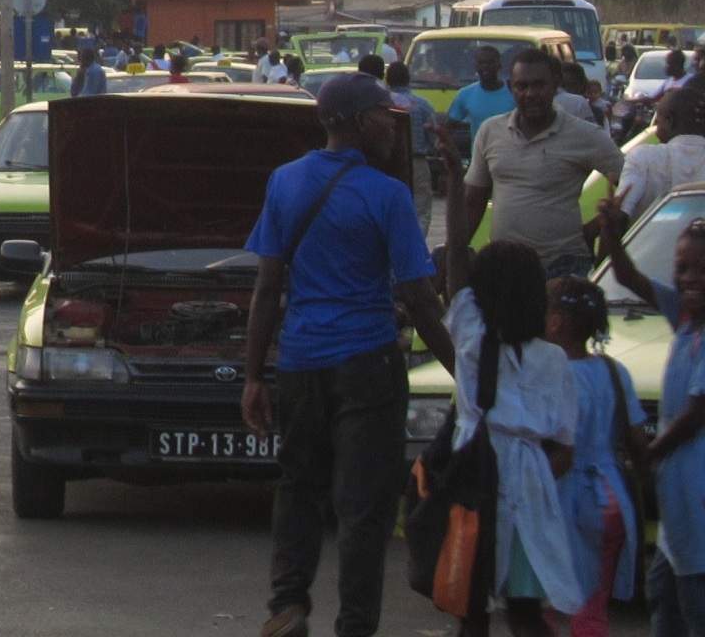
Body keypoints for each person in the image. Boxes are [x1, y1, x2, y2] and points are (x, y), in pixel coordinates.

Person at [243, 72, 456, 637]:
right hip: (367, 363)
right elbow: (421, 299)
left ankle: (287, 603)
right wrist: (465, 370)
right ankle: (355, 626)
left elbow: (267, 289)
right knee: (364, 507)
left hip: (300, 363)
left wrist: (253, 377)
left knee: (298, 485)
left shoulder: (285, 182)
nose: (392, 125)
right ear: (361, 120)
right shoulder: (387, 194)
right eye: (386, 115)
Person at [435, 238, 581, 634]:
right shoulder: (554, 361)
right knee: (526, 610)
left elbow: (456, 277)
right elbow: (565, 449)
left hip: (475, 488)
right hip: (531, 497)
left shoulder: (471, 342)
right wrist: (533, 485)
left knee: (470, 610)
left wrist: (453, 179)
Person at [598, 192, 705, 635]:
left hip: (697, 497)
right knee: (664, 597)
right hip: (680, 498)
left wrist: (648, 454)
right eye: (682, 268)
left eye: (702, 269)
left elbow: (697, 413)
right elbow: (626, 275)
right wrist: (610, 231)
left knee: (693, 606)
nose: (688, 278)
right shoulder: (684, 318)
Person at [463, 48, 625, 279]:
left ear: (555, 85)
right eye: (522, 86)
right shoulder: (490, 131)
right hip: (505, 270)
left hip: (563, 268)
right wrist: (454, 256)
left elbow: (632, 181)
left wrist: (597, 225)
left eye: (539, 85)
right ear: (511, 87)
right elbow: (473, 203)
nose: (530, 93)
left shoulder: (584, 135)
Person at [546, 276, 641, 637]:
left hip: (567, 498)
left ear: (556, 322)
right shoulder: (614, 371)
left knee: (551, 601)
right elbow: (635, 437)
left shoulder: (554, 374)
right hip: (612, 497)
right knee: (593, 606)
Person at [386, 59, 458, 236]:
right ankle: (416, 250)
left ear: (387, 79)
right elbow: (435, 139)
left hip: (386, 163)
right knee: (420, 210)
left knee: (388, 208)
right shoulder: (423, 104)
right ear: (408, 79)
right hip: (416, 163)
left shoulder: (380, 103)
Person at [618, 78, 705, 221]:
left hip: (649, 243)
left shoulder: (644, 156)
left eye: (658, 118)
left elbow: (621, 212)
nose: (656, 125)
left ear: (670, 121)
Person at [447, 45, 518, 151]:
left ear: (498, 65)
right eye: (481, 62)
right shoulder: (465, 94)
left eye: (490, 62)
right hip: (479, 160)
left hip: (510, 157)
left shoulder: (514, 92)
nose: (485, 66)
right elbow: (449, 128)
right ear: (476, 66)